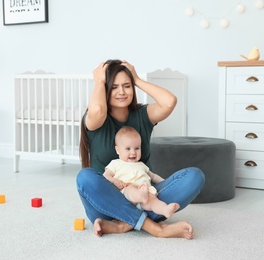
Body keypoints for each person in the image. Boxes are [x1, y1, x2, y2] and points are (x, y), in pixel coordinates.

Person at [76, 59, 205, 239]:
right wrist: (98, 81)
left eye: (127, 86)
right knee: (85, 177)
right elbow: (97, 109)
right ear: (105, 89)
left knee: (194, 176)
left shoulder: (142, 115)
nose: (121, 92)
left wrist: (136, 78)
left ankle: (123, 225)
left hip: (145, 198)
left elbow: (169, 101)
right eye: (113, 87)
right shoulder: (95, 119)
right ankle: (155, 228)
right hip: (106, 206)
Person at [104, 126, 180, 219]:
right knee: (130, 189)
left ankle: (165, 210)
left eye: (137, 148)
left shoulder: (142, 165)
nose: (133, 152)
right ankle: (140, 195)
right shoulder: (116, 163)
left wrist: (167, 182)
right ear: (118, 150)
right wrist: (114, 180)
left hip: (145, 196)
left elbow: (153, 177)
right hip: (127, 195)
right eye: (128, 149)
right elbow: (106, 175)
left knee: (153, 201)